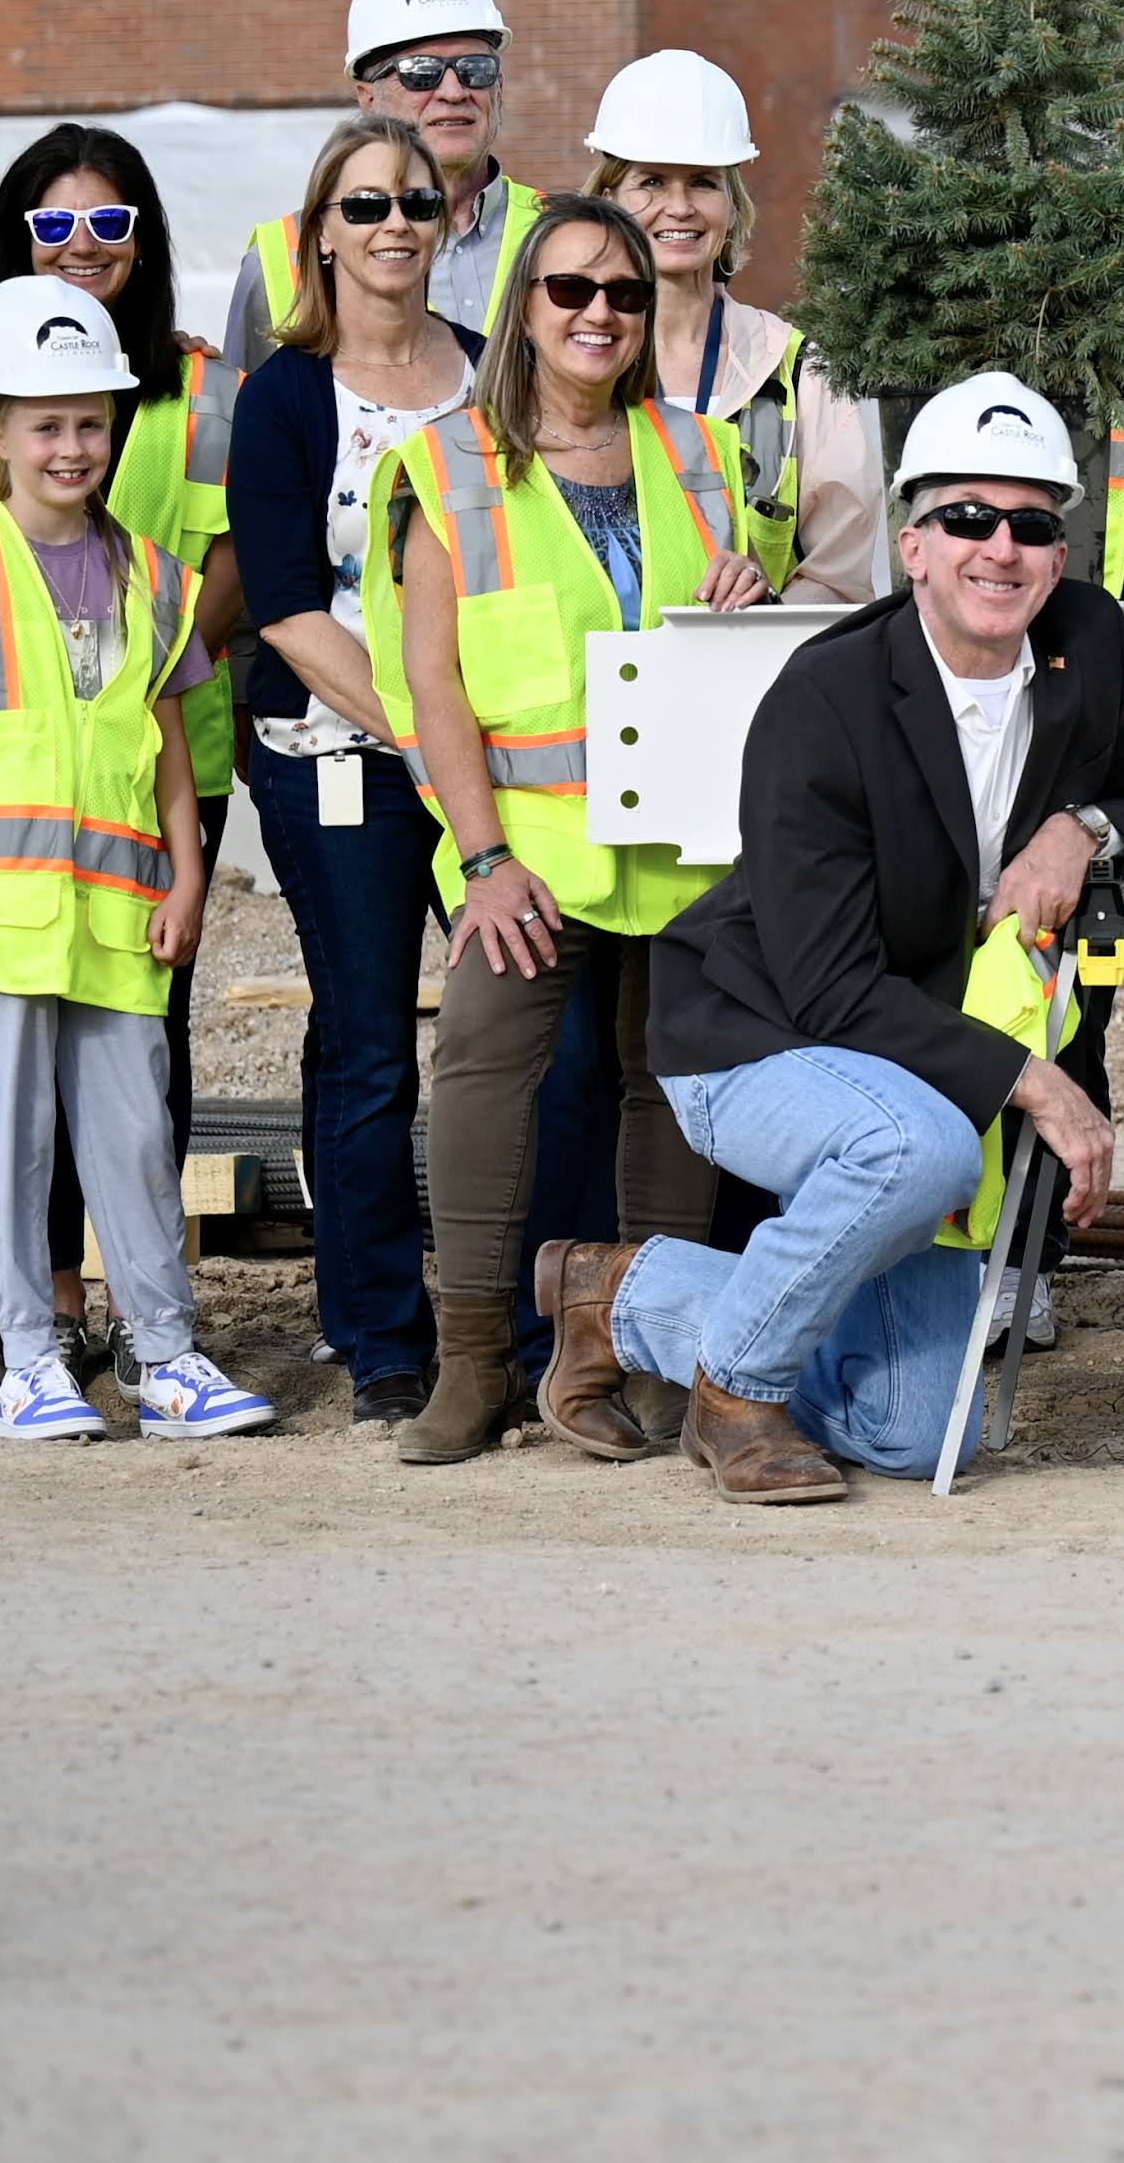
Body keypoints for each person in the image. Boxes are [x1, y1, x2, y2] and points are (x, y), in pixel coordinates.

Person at [550, 376, 1124, 1501]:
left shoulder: (1087, 639)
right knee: (919, 1148)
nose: (1003, 548)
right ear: (913, 541)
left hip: (914, 1055)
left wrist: (1079, 830)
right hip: (752, 1034)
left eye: (1033, 523)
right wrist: (1034, 1080)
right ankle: (735, 1389)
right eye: (970, 517)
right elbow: (826, 981)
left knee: (921, 1434)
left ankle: (623, 1291)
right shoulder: (824, 697)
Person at [373, 194, 769, 1465]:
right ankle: (477, 1362)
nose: (600, 311)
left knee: (672, 1095)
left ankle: (647, 1355)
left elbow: (731, 633)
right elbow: (429, 680)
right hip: (526, 849)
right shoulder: (446, 463)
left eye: (625, 292)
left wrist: (745, 590)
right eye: (570, 291)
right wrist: (481, 858)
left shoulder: (701, 450)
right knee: (487, 1082)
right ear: (523, 311)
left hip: (682, 844)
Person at [0, 280, 271, 1444]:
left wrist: (192, 878)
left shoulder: (156, 577)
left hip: (119, 914)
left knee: (137, 1140)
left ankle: (164, 1356)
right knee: (9, 1140)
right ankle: (29, 1363)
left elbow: (165, 753)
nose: (71, 445)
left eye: (92, 421)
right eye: (44, 424)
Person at [0, 124, 241, 1361]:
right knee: (21, 1051)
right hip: (18, 790)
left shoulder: (199, 381)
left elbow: (232, 554)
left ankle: (146, 1310)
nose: (84, 245)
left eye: (111, 222)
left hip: (167, 757)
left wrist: (151, 664)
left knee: (140, 1043)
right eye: (57, 222)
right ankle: (52, 1307)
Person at [228, 117, 479, 1427]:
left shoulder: (491, 380)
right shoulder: (282, 397)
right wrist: (422, 730)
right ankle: (380, 1331)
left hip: (486, 767)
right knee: (373, 1043)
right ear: (321, 228)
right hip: (336, 755)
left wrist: (467, 751)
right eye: (367, 202)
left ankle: (516, 1313)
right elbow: (281, 605)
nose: (395, 223)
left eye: (417, 201)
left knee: (516, 1040)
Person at [584, 48, 883, 606]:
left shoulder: (795, 370)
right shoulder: (571, 359)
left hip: (759, 680)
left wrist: (766, 609)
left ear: (732, 202)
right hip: (603, 678)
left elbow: (840, 577)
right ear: (608, 201)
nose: (679, 208)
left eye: (702, 183)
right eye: (650, 182)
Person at [223, 0, 539, 360]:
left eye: (475, 68)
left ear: (497, 87)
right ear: (367, 97)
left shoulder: (562, 233)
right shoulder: (279, 259)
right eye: (420, 72)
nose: (454, 92)